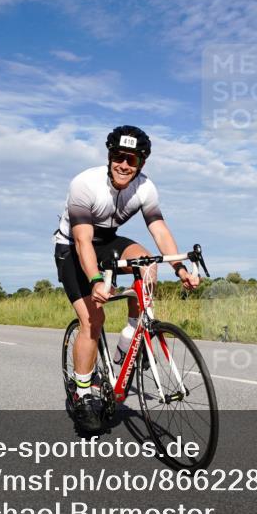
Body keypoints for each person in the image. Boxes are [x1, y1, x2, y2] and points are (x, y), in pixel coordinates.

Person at [55, 126, 200, 432]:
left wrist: (180, 269)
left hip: (108, 240)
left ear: (141, 163)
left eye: (131, 160)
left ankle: (129, 340)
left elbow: (159, 230)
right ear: (109, 157)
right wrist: (96, 279)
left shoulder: (145, 188)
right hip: (73, 247)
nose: (123, 164)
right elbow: (82, 241)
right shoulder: (85, 184)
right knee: (93, 319)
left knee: (147, 264)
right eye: (118, 157)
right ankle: (82, 393)